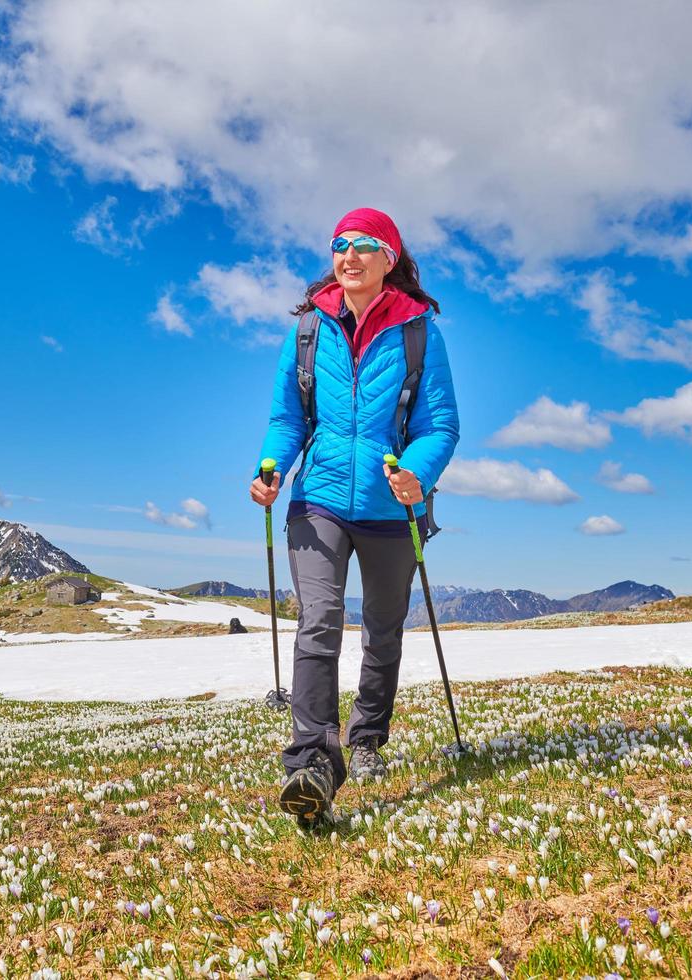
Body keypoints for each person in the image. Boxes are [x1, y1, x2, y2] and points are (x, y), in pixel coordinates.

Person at [250, 207, 458, 824]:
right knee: (319, 619)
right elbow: (288, 418)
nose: (350, 256)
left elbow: (439, 423)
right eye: (340, 244)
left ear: (389, 260)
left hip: (393, 508)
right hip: (317, 502)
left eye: (365, 246)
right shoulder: (309, 328)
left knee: (384, 628)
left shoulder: (420, 332)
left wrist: (417, 471)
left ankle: (366, 737)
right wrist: (270, 467)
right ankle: (312, 762)